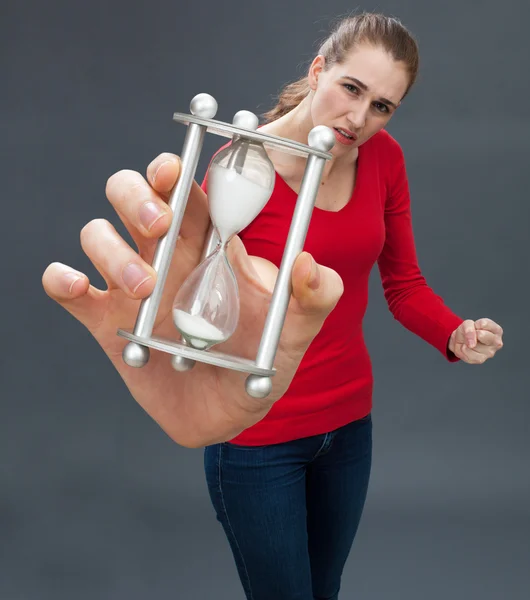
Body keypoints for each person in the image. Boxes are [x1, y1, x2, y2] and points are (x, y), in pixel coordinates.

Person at [42, 11, 504, 600]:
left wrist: (454, 333)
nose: (359, 119)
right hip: (257, 436)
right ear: (319, 70)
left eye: (382, 106)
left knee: (325, 588)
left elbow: (404, 285)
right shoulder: (242, 166)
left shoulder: (385, 160)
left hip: (347, 425)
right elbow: (208, 299)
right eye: (352, 89)